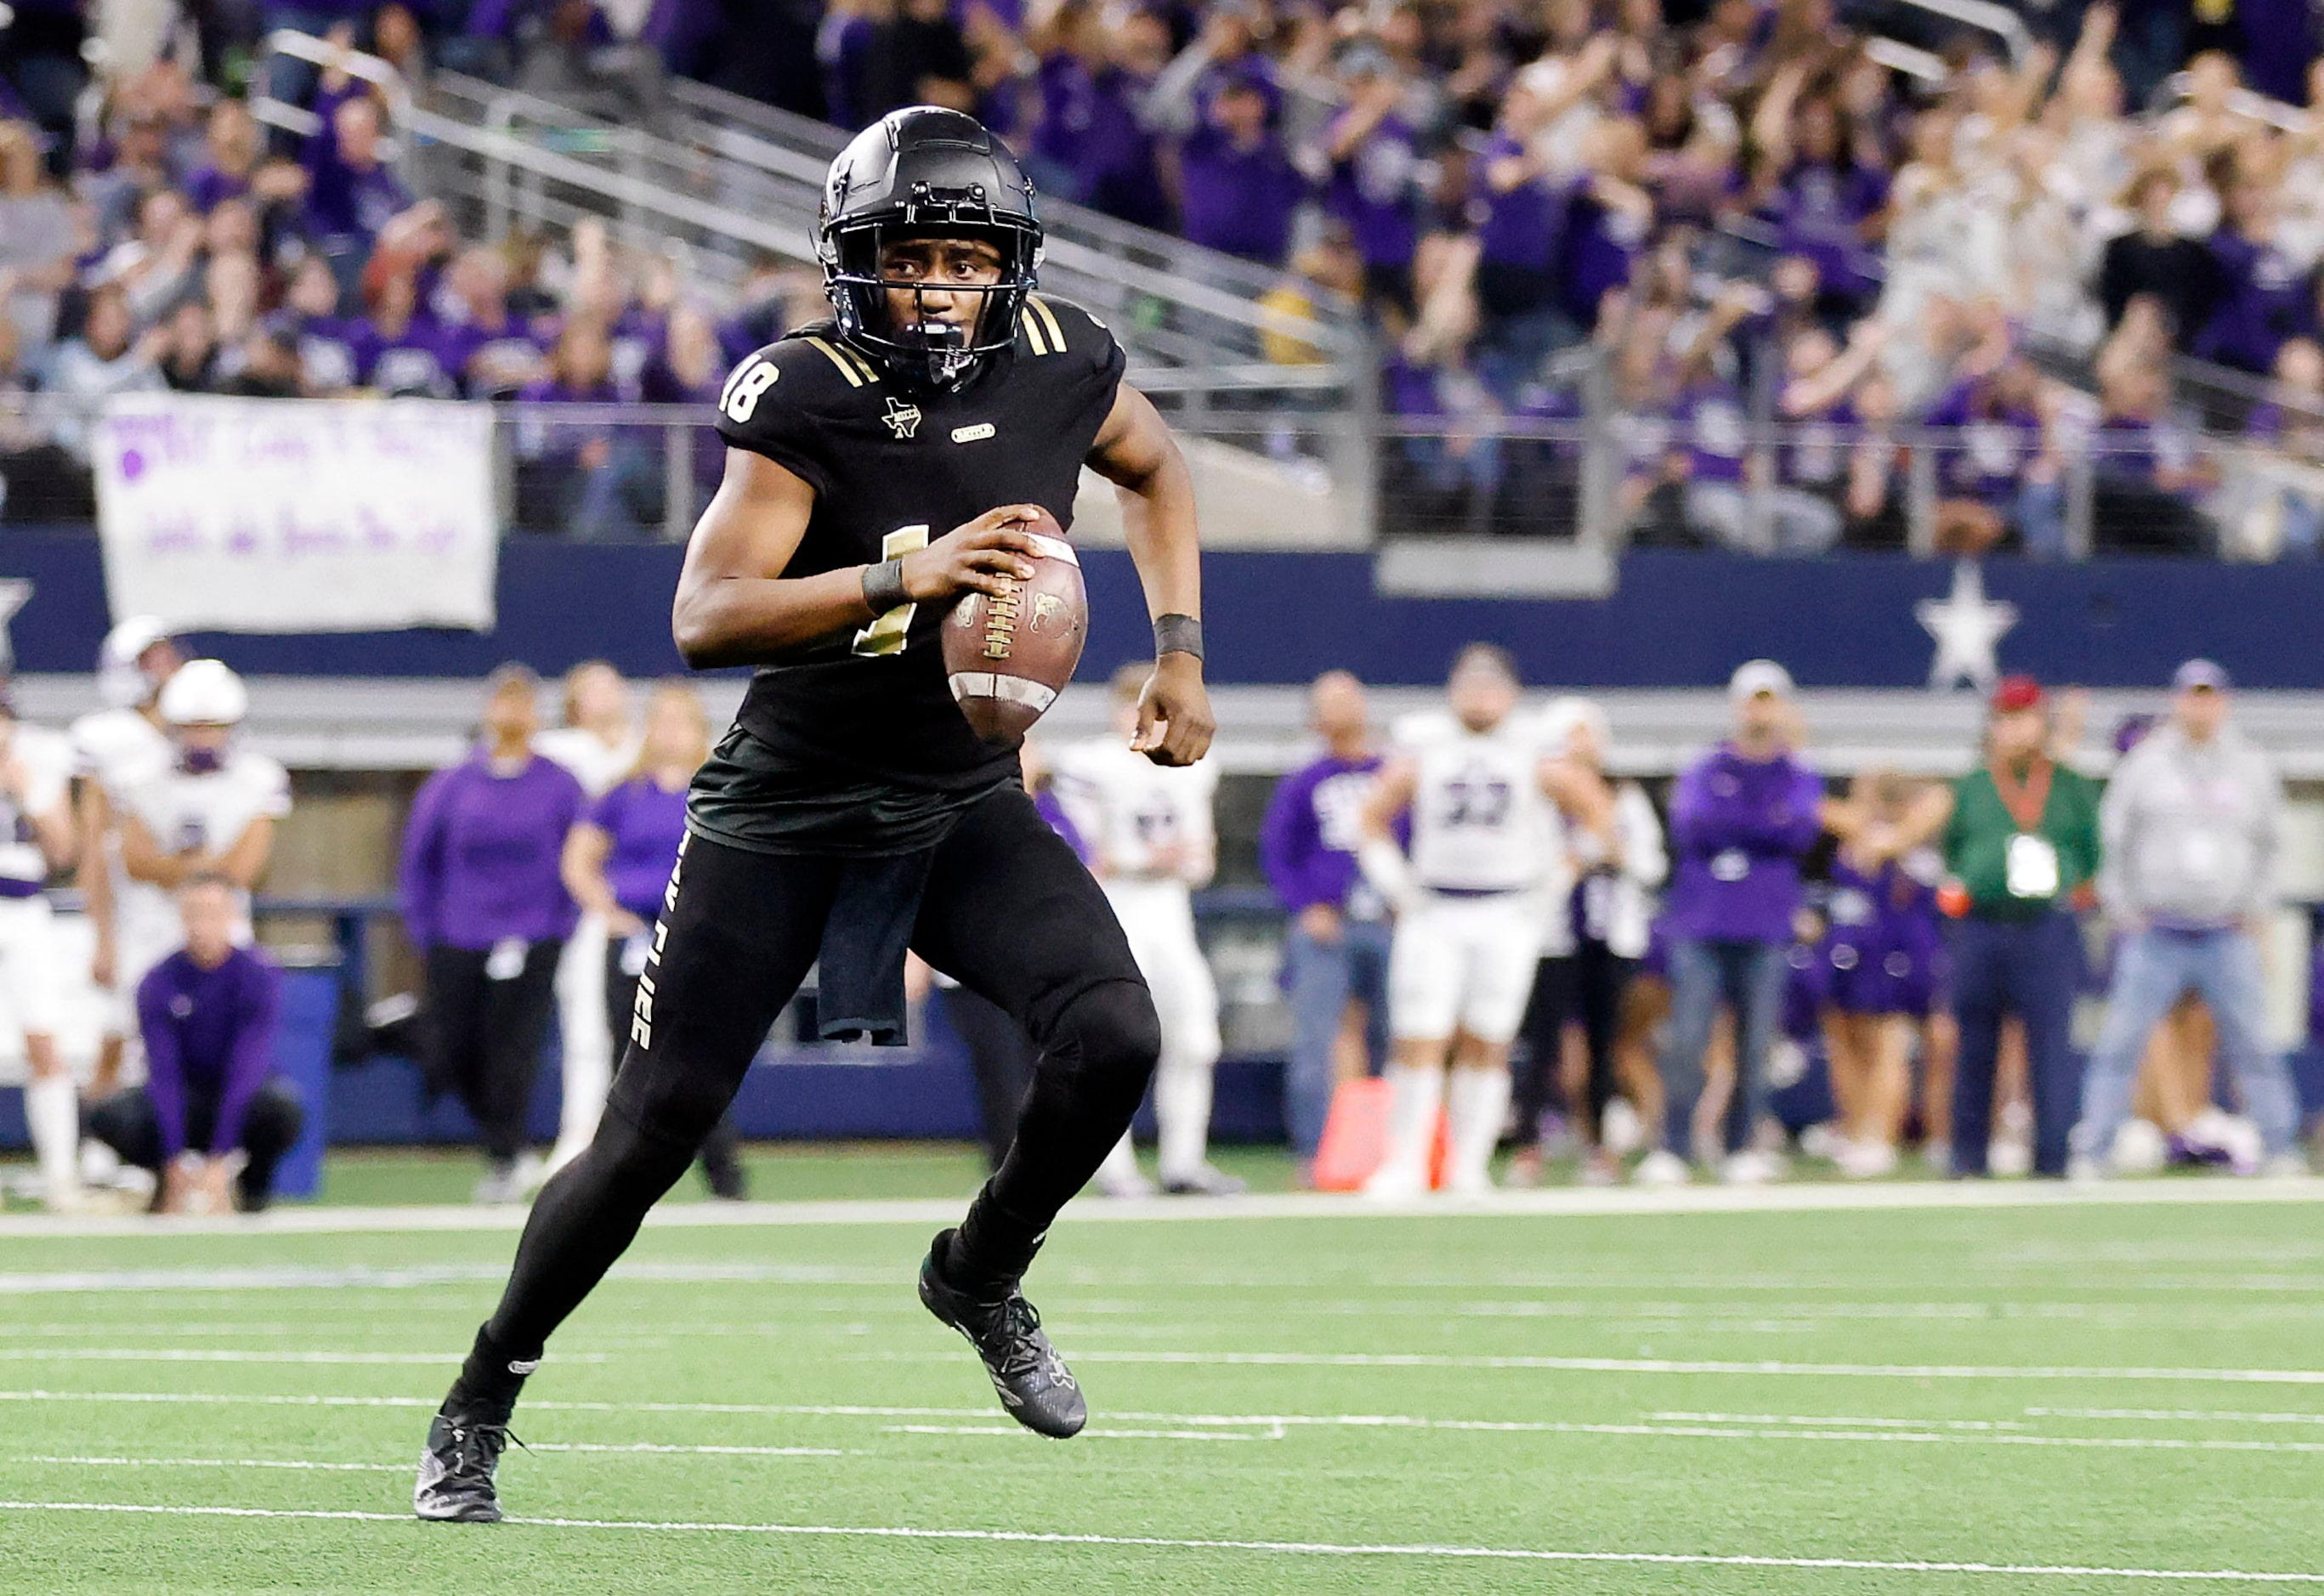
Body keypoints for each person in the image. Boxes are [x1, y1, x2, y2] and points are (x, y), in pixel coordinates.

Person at [414, 107, 1213, 1521]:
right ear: (861, 261)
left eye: (970, 256)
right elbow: (704, 615)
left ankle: (978, 1269)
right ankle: (482, 1390)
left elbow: (1152, 466)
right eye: (916, 256)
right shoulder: (803, 391)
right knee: (655, 1125)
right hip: (783, 803)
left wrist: (1179, 646)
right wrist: (902, 578)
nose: (943, 284)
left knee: (1114, 1032)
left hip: (958, 797)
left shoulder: (1061, 357)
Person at [1355, 645, 1610, 1198]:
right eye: (1469, 682)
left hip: (1507, 908)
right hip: (1436, 907)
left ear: (1513, 693)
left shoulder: (1534, 745)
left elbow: (1596, 813)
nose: (1480, 694)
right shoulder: (1425, 743)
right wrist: (1394, 882)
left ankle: (1468, 1166)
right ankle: (1405, 1163)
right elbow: (1371, 817)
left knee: (1488, 1038)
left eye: (1491, 683)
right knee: (1419, 1035)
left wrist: (1557, 881)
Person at [2073, 662, 2304, 1178]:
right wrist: (2123, 907)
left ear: (2222, 702)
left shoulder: (2249, 764)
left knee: (2255, 1044)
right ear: (2178, 701)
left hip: (2226, 929)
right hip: (2157, 931)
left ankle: (2279, 1146)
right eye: (2192, 696)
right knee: (2120, 1041)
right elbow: (2114, 838)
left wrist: (2258, 906)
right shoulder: (2146, 764)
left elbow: (2273, 842)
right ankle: (2095, 1147)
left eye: (2209, 696)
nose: (2200, 706)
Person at [1892, 676, 2100, 1179]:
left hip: (2045, 927)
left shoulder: (2068, 784)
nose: (2015, 729)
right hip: (1982, 928)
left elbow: (2091, 851)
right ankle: (1968, 1159)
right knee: (1974, 1046)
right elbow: (1958, 849)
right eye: (2005, 718)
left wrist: (2068, 882)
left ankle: (2052, 1159)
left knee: (2050, 1046)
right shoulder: (1975, 784)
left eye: (2024, 716)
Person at [400, 665, 585, 1207]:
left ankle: (505, 1155)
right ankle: (504, 1141)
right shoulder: (451, 784)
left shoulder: (559, 783)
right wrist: (426, 930)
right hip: (459, 935)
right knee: (453, 1047)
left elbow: (581, 855)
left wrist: (560, 926)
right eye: (503, 703)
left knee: (514, 1051)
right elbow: (420, 861)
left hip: (531, 935)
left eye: (523, 703)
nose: (512, 715)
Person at [558, 682, 745, 1200]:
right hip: (635, 940)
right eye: (660, 720)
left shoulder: (722, 787)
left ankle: (725, 1178)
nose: (670, 731)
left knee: (705, 1057)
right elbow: (579, 861)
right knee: (631, 1055)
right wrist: (611, 913)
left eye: (681, 720)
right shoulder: (622, 793)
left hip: (701, 941)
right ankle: (621, 1175)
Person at [1642, 660, 1825, 1186]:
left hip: (1764, 924)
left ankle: (1741, 1144)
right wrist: (1760, 828)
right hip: (1703, 922)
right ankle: (1673, 1146)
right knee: (1688, 1037)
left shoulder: (1797, 772)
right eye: (1753, 699)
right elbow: (1692, 826)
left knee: (1754, 1040)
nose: (1760, 711)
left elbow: (1797, 833)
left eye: (1770, 700)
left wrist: (1742, 829)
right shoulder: (1706, 767)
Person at [1056, 664, 1235, 1197]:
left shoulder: (1193, 766)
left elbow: (1201, 861)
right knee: (1115, 1042)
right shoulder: (1092, 764)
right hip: (1114, 913)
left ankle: (1184, 1163)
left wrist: (1166, 858)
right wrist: (1142, 856)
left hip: (1170, 914)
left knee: (1196, 1038)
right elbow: (1089, 856)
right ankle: (1115, 1170)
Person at [1510, 696, 1665, 1187]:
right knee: (1542, 1046)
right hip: (1550, 934)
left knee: (1606, 1044)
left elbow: (1651, 865)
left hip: (1608, 934)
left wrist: (1611, 851)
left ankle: (1599, 1147)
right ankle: (1529, 1146)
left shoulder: (1623, 796)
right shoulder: (1534, 796)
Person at [85, 874, 303, 1213]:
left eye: (213, 913)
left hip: (238, 1096)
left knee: (283, 1108)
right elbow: (163, 1072)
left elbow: (247, 1066)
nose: (203, 925)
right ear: (181, 917)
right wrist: (173, 1157)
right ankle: (164, 1181)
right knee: (111, 1115)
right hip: (186, 1098)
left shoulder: (257, 975)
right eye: (195, 913)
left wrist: (221, 1157)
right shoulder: (158, 981)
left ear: (232, 915)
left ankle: (254, 1185)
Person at [111, 661, 290, 1061]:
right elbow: (136, 860)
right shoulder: (140, 780)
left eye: (213, 726)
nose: (203, 738)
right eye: (194, 726)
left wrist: (177, 869)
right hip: (154, 926)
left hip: (224, 928)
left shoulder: (257, 780)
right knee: (137, 1043)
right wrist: (203, 870)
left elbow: (244, 870)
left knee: (231, 1041)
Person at [1258, 671, 1392, 1185]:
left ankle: (1393, 1151)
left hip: (1386, 917)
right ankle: (1316, 1154)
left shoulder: (1392, 772)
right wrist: (1306, 905)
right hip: (1327, 924)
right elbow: (1278, 854)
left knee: (1401, 1038)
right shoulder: (1304, 780)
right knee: (1315, 1042)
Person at [68, 618, 184, 1167]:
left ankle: (164, 1153)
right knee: (117, 1033)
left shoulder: (201, 727)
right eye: (153, 656)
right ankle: (99, 1152)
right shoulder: (106, 736)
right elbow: (93, 840)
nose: (168, 665)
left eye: (167, 653)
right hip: (133, 906)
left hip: (193, 906)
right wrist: (100, 932)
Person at [534, 661, 641, 1180]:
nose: (607, 693)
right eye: (593, 686)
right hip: (580, 911)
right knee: (584, 1028)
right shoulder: (557, 752)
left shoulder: (641, 749)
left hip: (640, 910)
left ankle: (629, 1139)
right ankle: (578, 1138)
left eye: (612, 682)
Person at [0, 693, 78, 1208]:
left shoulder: (34, 764)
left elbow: (65, 849)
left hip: (22, 909)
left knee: (44, 1040)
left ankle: (60, 1176)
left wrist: (22, 789)